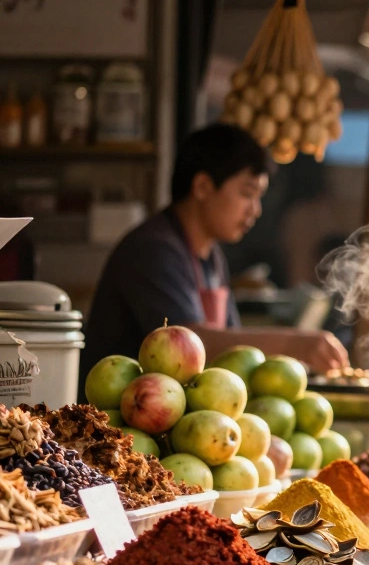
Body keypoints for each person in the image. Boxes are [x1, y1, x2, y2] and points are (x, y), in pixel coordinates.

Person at [81, 124, 348, 390]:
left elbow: (234, 349)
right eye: (247, 193)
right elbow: (187, 345)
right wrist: (293, 343)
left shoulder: (211, 256)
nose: (255, 211)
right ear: (203, 187)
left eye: (259, 197)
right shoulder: (153, 248)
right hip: (117, 418)